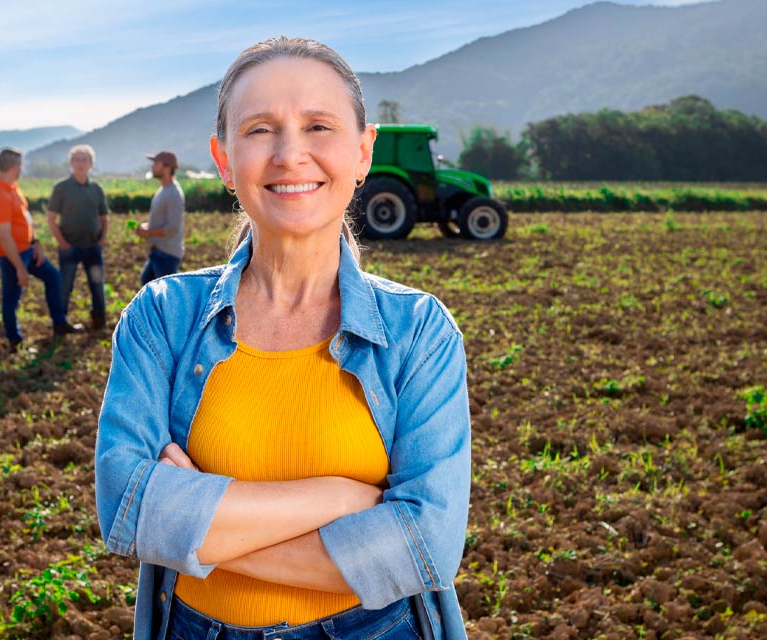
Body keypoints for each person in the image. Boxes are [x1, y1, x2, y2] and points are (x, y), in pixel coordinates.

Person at [95, 37, 470, 640]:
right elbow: (126, 507)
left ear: (363, 150)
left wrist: (192, 532)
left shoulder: (419, 332)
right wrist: (340, 498)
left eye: (318, 125)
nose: (291, 154)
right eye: (261, 129)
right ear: (224, 159)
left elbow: (423, 548)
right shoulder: (161, 316)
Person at [0, 147, 84, 353]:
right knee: (11, 299)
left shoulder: (12, 187)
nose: (22, 169)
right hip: (11, 256)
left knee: (53, 277)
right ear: (14, 166)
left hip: (27, 250)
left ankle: (59, 324)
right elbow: (4, 236)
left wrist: (35, 243)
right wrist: (20, 267)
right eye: (20, 165)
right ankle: (15, 343)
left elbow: (24, 218)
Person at [47, 144, 110, 330]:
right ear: (71, 164)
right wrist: (62, 243)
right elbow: (51, 219)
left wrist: (102, 240)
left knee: (97, 286)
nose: (80, 163)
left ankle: (100, 322)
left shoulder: (96, 189)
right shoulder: (61, 188)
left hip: (92, 246)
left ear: (91, 164)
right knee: (64, 287)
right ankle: (60, 324)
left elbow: (104, 218)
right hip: (70, 247)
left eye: (84, 160)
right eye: (76, 160)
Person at [136, 150, 186, 285]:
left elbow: (173, 228)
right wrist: (146, 227)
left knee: (164, 298)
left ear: (167, 168)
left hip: (166, 254)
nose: (152, 167)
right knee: (147, 286)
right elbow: (163, 222)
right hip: (158, 252)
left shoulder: (173, 194)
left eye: (156, 163)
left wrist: (148, 232)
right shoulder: (164, 190)